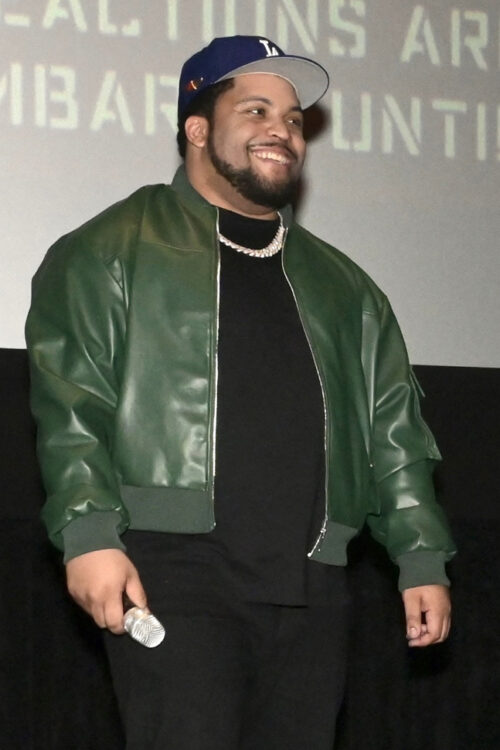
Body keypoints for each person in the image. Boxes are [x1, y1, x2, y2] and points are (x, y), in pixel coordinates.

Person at [26, 35, 456, 750]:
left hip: (313, 581)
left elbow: (394, 433)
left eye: (292, 119)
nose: (282, 130)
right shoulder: (110, 247)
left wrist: (420, 558)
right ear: (197, 128)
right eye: (256, 109)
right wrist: (88, 534)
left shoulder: (345, 287)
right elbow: (73, 405)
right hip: (171, 569)